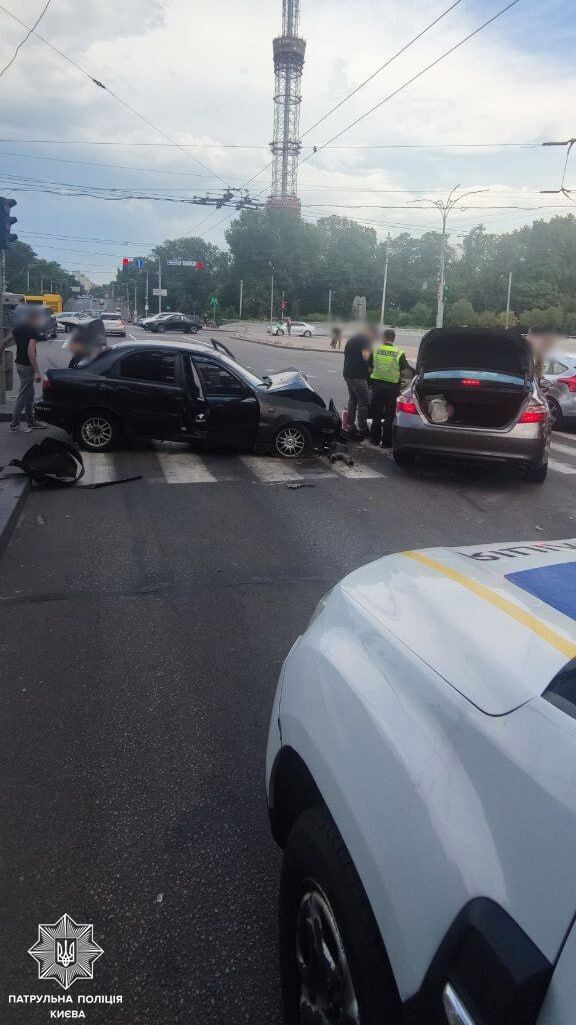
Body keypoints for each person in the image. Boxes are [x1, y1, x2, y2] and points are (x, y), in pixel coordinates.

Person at [1, 306, 46, 433]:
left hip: (19, 364)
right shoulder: (33, 330)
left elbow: (5, 341)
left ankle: (31, 421)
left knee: (29, 394)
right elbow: (31, 351)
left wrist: (0, 352)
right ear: (35, 318)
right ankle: (14, 424)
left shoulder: (19, 327)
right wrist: (36, 371)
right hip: (27, 365)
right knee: (23, 395)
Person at [369, 328, 414, 447]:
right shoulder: (399, 352)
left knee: (377, 414)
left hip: (377, 386)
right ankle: (386, 442)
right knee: (389, 415)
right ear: (393, 339)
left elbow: (369, 368)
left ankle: (374, 439)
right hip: (392, 387)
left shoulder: (376, 350)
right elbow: (405, 371)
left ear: (383, 338)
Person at [343, 325, 376, 438]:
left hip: (348, 373)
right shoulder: (365, 340)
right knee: (364, 402)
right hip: (358, 375)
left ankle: (350, 426)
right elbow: (366, 357)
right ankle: (363, 428)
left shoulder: (352, 339)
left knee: (353, 400)